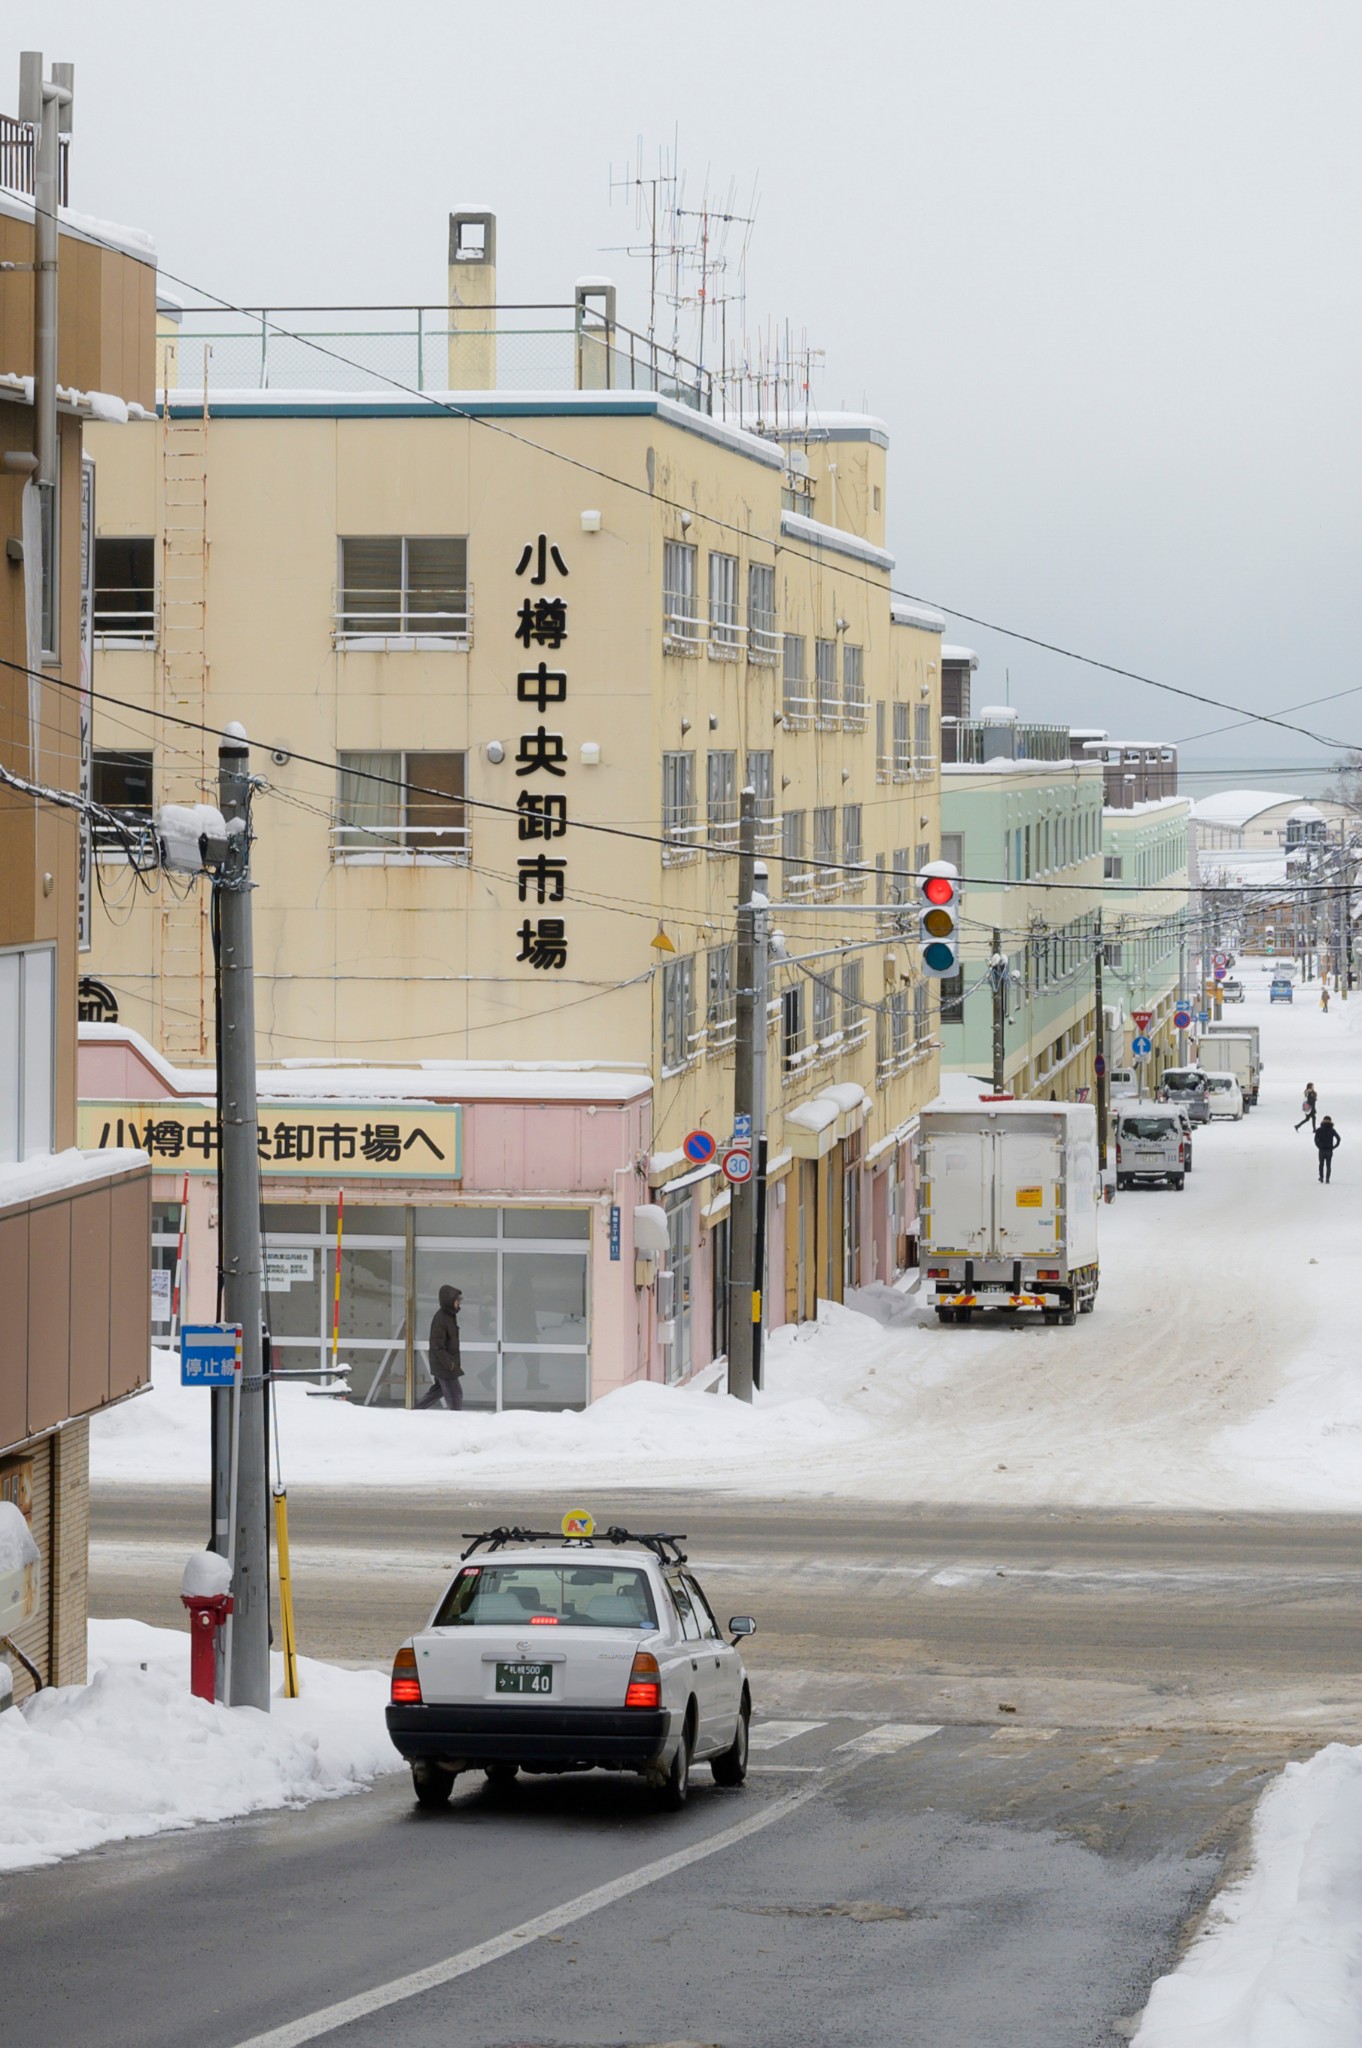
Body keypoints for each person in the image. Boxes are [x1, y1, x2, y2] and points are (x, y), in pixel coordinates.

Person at [417, 1285, 464, 1409]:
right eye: (456, 1300)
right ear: (449, 1301)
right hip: (445, 1366)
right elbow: (437, 1345)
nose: (459, 1303)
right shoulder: (442, 1319)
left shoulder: (449, 1317)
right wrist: (450, 1364)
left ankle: (414, 1413)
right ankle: (457, 1420)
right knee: (455, 1396)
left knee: (437, 1392)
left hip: (445, 1364)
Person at [1315, 1116, 1341, 1184]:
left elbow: (1315, 1139)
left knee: (1321, 1164)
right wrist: (1334, 1146)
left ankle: (1321, 1177)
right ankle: (1327, 1179)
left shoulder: (1319, 1130)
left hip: (1321, 1149)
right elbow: (1338, 1138)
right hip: (1329, 1150)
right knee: (1328, 1165)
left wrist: (1318, 1146)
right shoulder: (1332, 1130)